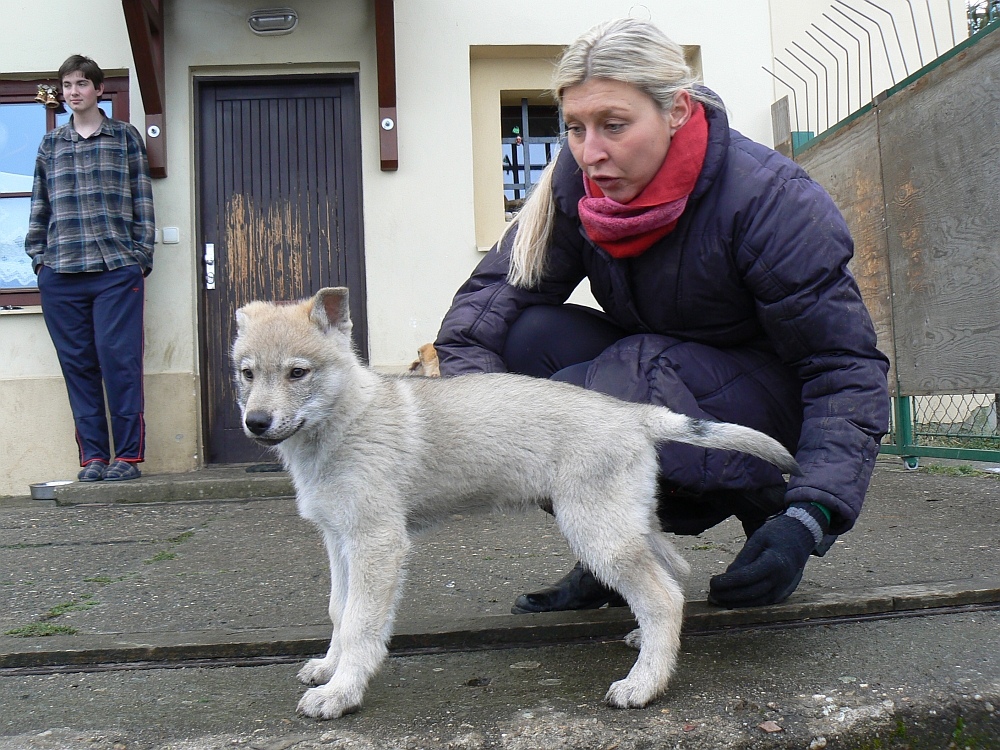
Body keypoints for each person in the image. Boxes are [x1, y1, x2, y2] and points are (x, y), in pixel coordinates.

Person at [433, 19, 890, 610]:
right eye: (573, 128)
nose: (590, 150)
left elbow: (844, 365)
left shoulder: (770, 201)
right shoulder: (581, 182)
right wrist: (489, 418)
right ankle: (612, 553)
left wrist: (807, 517)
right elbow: (489, 303)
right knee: (528, 341)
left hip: (769, 406)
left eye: (614, 125)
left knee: (624, 378)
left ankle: (763, 508)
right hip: (662, 374)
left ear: (675, 111)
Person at [25, 55, 155, 482]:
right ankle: (94, 457)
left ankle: (128, 457)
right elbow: (39, 206)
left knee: (119, 361)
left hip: (116, 269)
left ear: (99, 90)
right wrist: (38, 259)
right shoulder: (51, 144)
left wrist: (140, 256)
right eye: (67, 85)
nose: (73, 92)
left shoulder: (124, 138)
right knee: (78, 367)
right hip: (60, 272)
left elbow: (142, 199)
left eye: (82, 84)